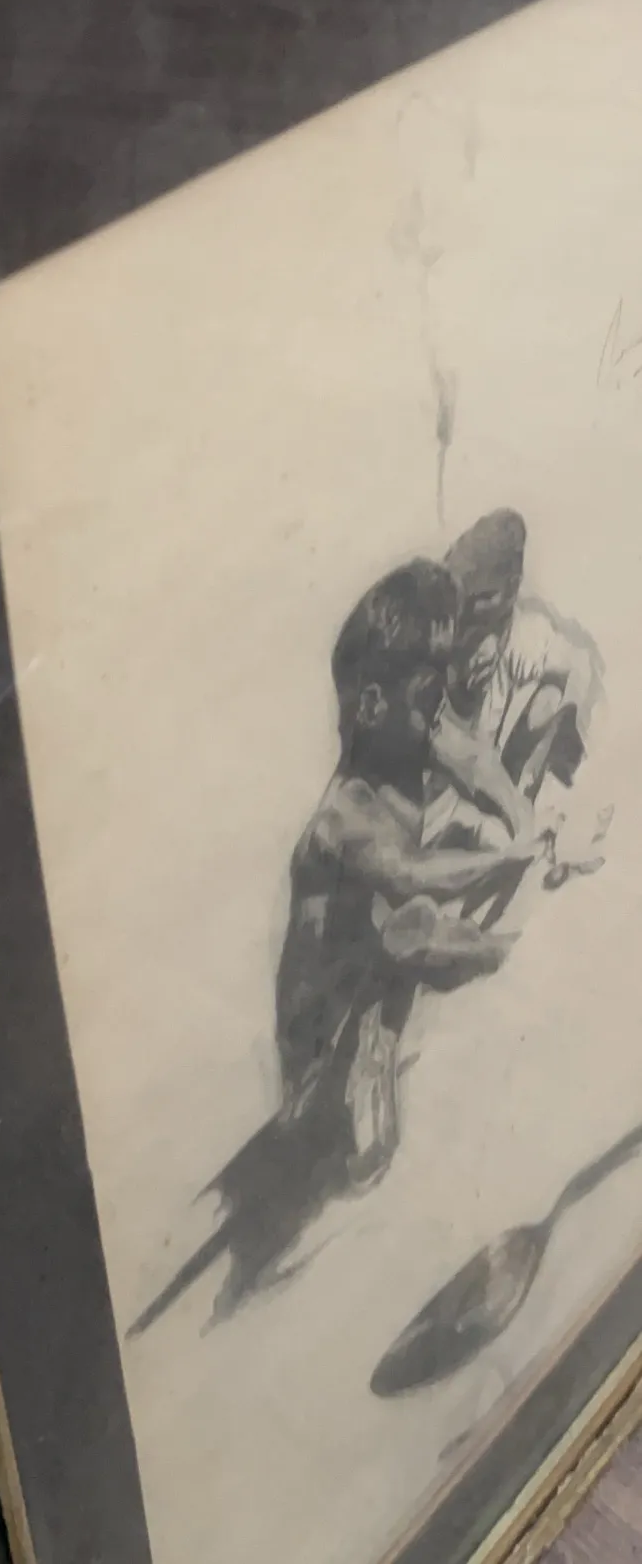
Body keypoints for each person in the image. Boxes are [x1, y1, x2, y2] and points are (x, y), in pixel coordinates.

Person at [127, 561, 535, 1341]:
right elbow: (412, 871)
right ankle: (322, 1113)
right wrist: (507, 858)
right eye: (427, 691)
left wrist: (520, 817)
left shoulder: (413, 730)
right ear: (373, 703)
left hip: (368, 972)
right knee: (346, 1154)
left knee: (401, 964)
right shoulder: (345, 813)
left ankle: (395, 1020)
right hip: (317, 1012)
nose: (440, 708)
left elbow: (472, 758)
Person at [431, 510, 605, 924]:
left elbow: (563, 692)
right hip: (450, 793)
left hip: (499, 792)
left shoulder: (536, 641)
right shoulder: (440, 622)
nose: (467, 608)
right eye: (462, 594)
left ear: (512, 587)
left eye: (482, 597)